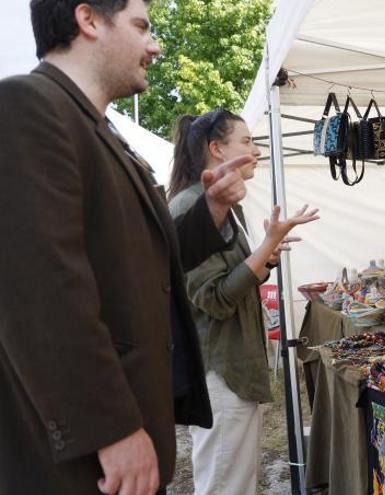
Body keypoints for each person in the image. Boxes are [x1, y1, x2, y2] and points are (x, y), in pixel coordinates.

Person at [0, 1, 254, 493]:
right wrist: (110, 427)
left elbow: (145, 265)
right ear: (88, 19)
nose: (155, 46)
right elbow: (38, 290)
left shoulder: (103, 134)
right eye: (141, 27)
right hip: (79, 458)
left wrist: (212, 211)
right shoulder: (26, 107)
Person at [167, 108, 319, 495]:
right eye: (247, 141)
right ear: (217, 149)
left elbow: (234, 280)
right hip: (219, 371)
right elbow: (216, 300)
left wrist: (264, 257)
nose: (256, 150)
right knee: (224, 487)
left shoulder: (219, 208)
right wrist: (266, 246)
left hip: (233, 368)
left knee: (236, 484)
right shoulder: (191, 208)